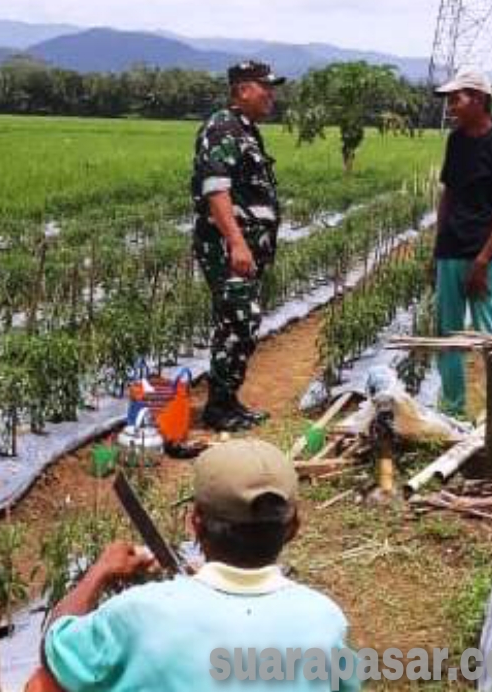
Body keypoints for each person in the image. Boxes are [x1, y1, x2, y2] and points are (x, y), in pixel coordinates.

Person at [38, 439, 359, 691]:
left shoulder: (140, 613)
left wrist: (102, 569)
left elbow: (55, 650)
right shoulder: (325, 620)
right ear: (294, 529)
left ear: (195, 523)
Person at [192, 61, 286, 432]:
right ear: (242, 89)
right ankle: (219, 407)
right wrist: (237, 243)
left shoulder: (245, 130)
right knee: (239, 322)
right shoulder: (221, 129)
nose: (271, 95)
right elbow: (216, 190)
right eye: (265, 87)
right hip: (227, 248)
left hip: (246, 249)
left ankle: (227, 401)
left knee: (239, 322)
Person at [431, 69, 492, 418]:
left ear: (480, 100)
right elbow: (448, 196)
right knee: (449, 336)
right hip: (451, 251)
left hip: (485, 254)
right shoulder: (455, 141)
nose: (451, 105)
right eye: (450, 99)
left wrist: (483, 261)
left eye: (457, 98)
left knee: (489, 336)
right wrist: (437, 249)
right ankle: (452, 411)